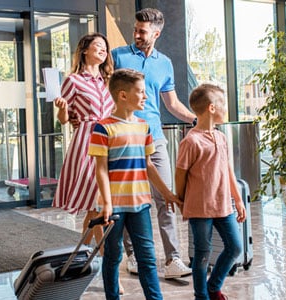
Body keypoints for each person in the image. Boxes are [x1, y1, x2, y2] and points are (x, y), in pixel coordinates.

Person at [111, 7, 196, 278]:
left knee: (167, 197)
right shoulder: (119, 56)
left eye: (142, 31)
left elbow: (171, 103)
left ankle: (173, 259)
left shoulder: (164, 63)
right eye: (135, 29)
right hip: (124, 135)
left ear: (156, 33)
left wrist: (197, 119)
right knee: (129, 198)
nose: (136, 34)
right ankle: (133, 255)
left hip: (154, 137)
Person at [89, 68, 179, 300]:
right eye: (140, 92)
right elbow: (100, 168)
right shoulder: (102, 127)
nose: (145, 96)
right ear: (123, 95)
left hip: (140, 204)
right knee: (113, 256)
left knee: (147, 258)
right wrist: (107, 203)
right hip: (114, 206)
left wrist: (167, 193)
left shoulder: (144, 126)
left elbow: (149, 165)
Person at [175, 84, 247, 300]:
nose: (226, 108)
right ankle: (201, 296)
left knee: (235, 247)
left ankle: (213, 287)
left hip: (224, 205)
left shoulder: (222, 137)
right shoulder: (191, 141)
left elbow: (228, 171)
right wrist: (181, 201)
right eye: (223, 104)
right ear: (212, 108)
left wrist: (238, 200)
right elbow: (180, 175)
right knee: (202, 255)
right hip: (200, 208)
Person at [52, 32, 115, 253]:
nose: (103, 50)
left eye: (105, 47)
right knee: (95, 200)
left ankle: (82, 254)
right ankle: (104, 260)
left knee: (97, 203)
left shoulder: (110, 81)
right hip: (87, 141)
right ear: (85, 50)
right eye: (98, 46)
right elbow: (64, 119)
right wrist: (61, 109)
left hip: (109, 139)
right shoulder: (73, 80)